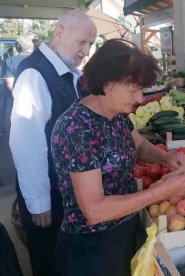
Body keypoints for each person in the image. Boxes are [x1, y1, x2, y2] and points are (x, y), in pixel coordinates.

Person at [51, 39, 185, 275]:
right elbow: (94, 211)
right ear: (107, 85)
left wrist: (165, 157)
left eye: (141, 89)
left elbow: (138, 146)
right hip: (93, 249)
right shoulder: (76, 128)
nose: (139, 98)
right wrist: (160, 192)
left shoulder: (116, 115)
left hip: (125, 230)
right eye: (133, 89)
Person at [9, 10, 97, 276]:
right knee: (49, 263)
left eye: (90, 44)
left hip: (64, 193)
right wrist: (39, 202)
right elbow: (27, 143)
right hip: (49, 197)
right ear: (59, 32)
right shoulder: (35, 75)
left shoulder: (67, 72)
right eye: (81, 42)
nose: (86, 50)